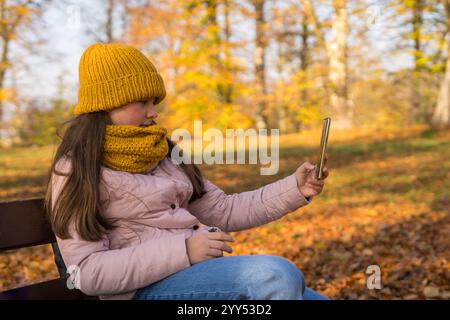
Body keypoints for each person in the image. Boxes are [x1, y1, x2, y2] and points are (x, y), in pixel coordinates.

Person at [45, 43, 330, 300]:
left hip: (194, 276)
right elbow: (86, 272)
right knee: (274, 277)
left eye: (153, 103)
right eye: (142, 102)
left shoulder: (164, 155)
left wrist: (295, 187)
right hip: (140, 291)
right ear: (108, 104)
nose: (153, 112)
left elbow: (224, 210)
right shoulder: (76, 170)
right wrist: (185, 250)